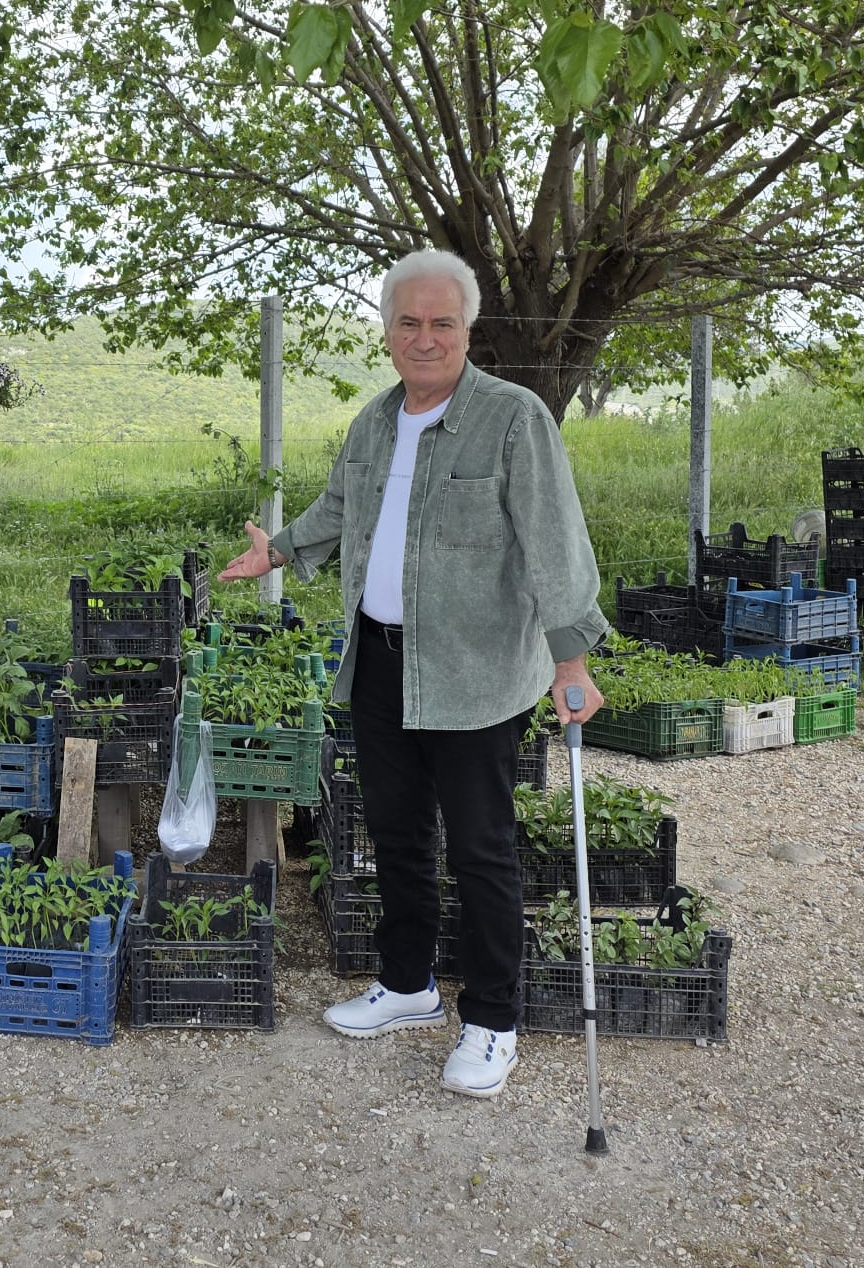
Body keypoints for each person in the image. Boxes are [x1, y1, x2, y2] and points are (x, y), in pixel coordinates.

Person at [220, 249, 607, 1099]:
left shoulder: (513, 418)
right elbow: (341, 506)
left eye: (442, 323)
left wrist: (570, 656)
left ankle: (493, 1020)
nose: (425, 338)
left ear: (467, 330)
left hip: (475, 670)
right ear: (388, 331)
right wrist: (278, 551)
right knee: (393, 836)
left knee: (480, 848)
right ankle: (407, 985)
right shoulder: (375, 420)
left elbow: (553, 539)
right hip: (379, 659)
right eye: (409, 322)